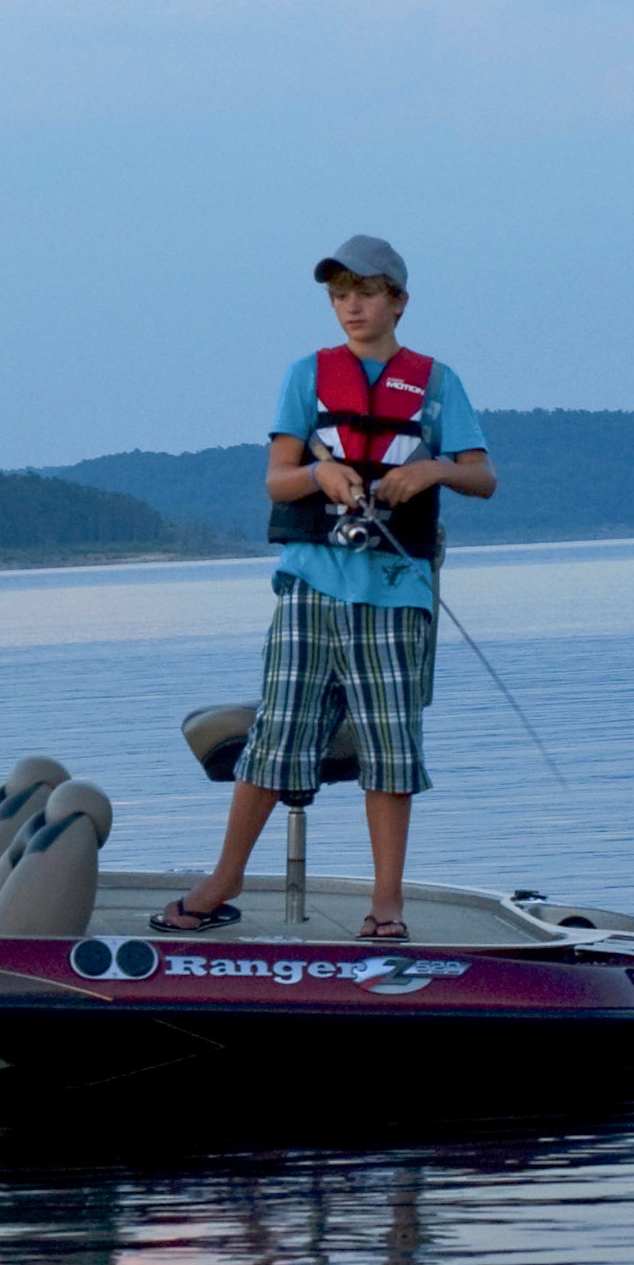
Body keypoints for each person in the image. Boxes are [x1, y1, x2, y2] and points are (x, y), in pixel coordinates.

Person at [155, 233, 496, 943]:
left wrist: (428, 471)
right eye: (340, 294)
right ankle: (224, 881)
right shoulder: (306, 375)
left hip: (397, 589)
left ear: (398, 300)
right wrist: (321, 474)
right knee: (276, 732)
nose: (352, 306)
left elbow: (481, 476)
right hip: (311, 584)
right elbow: (279, 477)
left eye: (366, 292)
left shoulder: (438, 383)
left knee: (391, 744)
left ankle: (387, 903)